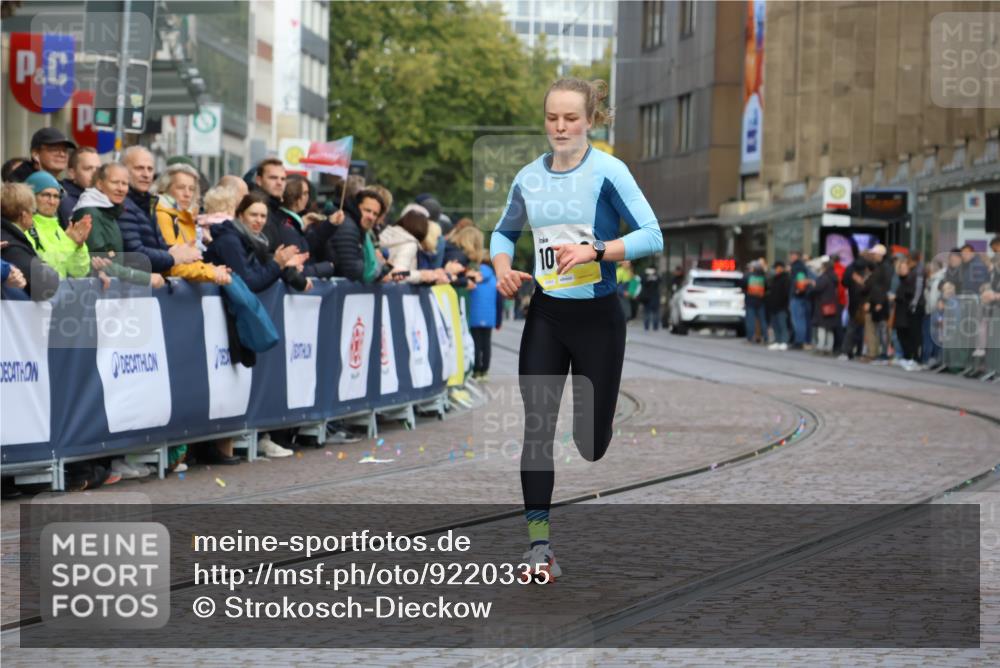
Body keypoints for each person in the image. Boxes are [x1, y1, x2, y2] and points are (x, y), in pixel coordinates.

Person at [491, 78, 663, 580]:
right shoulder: (527, 177)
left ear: (590, 120)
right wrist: (502, 266)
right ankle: (538, 547)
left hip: (598, 319)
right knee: (537, 427)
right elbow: (504, 230)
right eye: (552, 118)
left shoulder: (610, 171)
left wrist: (596, 251)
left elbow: (652, 234)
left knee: (591, 443)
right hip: (546, 314)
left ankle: (596, 428)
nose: (560, 127)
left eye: (570, 118)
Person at [73, 163, 166, 289]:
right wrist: (146, 278)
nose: (121, 188)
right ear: (100, 184)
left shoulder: (108, 212)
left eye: (125, 184)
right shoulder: (90, 213)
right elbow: (100, 263)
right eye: (115, 182)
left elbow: (111, 261)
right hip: (93, 293)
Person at [204, 191, 308, 293]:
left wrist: (282, 265)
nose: (259, 220)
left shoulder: (256, 242)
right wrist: (277, 264)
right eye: (253, 215)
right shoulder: (230, 241)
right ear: (240, 216)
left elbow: (261, 272)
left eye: (263, 216)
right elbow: (249, 284)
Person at [119, 146, 201, 275]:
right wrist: (174, 257)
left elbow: (159, 247)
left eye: (150, 169)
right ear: (123, 171)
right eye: (139, 168)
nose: (146, 174)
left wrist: (178, 251)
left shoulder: (149, 203)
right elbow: (135, 254)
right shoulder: (123, 204)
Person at [153, 164, 231, 285]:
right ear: (165, 189)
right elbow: (173, 266)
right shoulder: (163, 216)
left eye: (191, 189)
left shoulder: (184, 217)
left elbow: (191, 261)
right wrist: (211, 272)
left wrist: (211, 269)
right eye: (181, 187)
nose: (187, 194)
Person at [25, 171, 92, 278]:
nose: (52, 201)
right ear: (31, 197)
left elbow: (79, 272)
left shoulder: (59, 230)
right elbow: (45, 269)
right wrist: (70, 243)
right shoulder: (25, 227)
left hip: (61, 293)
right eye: (46, 195)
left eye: (56, 196)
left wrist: (78, 246)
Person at [0, 183, 61, 300]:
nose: (33, 217)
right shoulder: (11, 244)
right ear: (24, 215)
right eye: (33, 212)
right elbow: (45, 283)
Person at [327, 189, 390, 284]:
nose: (371, 217)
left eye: (375, 214)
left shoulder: (360, 230)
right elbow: (355, 271)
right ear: (356, 207)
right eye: (367, 210)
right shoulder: (349, 227)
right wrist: (377, 263)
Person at [278, 175, 335, 279]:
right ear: (296, 198)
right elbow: (297, 269)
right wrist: (325, 268)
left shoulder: (292, 223)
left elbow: (306, 247)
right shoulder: (287, 227)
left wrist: (330, 224)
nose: (307, 197)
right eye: (304, 193)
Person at [6, 128, 77, 183]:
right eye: (54, 149)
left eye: (65, 150)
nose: (62, 154)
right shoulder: (20, 185)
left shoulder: (62, 186)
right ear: (35, 154)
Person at [893, 256, 925, 370]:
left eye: (904, 267)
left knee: (912, 335)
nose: (902, 270)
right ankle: (907, 356)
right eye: (901, 268)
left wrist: (900, 298)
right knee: (901, 334)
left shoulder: (912, 278)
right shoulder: (900, 280)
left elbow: (912, 293)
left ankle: (914, 358)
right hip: (901, 311)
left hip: (909, 310)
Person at [839, 251, 872, 360]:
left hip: (854, 300)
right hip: (867, 300)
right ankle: (861, 350)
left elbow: (844, 282)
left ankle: (846, 351)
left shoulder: (851, 267)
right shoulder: (872, 267)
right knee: (865, 328)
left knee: (852, 327)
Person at [58, 147, 101, 228]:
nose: (95, 173)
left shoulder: (102, 198)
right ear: (72, 173)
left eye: (98, 169)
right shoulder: (66, 202)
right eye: (88, 168)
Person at [867, 244, 893, 363]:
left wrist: (880, 302)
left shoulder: (886, 267)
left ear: (880, 254)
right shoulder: (879, 266)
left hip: (881, 302)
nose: (873, 256)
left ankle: (885, 352)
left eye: (874, 254)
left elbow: (885, 286)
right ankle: (881, 352)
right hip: (876, 301)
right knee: (878, 328)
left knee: (882, 328)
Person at [811, 259, 840, 354]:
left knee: (822, 327)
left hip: (822, 305)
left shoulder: (824, 277)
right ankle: (829, 348)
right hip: (832, 305)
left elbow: (817, 289)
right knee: (829, 328)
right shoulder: (834, 277)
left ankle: (821, 347)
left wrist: (813, 285)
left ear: (825, 268)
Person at [788, 250, 814, 348]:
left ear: (795, 256)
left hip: (798, 296)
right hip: (805, 296)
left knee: (798, 320)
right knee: (804, 320)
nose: (790, 257)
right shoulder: (804, 266)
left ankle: (799, 341)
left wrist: (798, 290)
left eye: (792, 255)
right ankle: (806, 340)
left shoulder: (797, 267)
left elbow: (799, 280)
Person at [766, 261, 791, 350]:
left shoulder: (786, 278)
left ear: (781, 268)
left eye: (777, 268)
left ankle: (784, 341)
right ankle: (777, 341)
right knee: (775, 325)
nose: (776, 270)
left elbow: (787, 293)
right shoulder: (774, 279)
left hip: (782, 306)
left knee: (782, 325)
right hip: (773, 306)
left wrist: (786, 305)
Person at [743, 259, 768, 343]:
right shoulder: (763, 276)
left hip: (750, 301)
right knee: (762, 320)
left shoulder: (748, 276)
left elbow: (743, 286)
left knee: (750, 320)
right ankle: (766, 337)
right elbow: (767, 288)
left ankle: (750, 338)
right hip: (761, 301)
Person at [640, 266, 662, 331]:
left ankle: (655, 326)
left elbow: (660, 281)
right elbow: (642, 282)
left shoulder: (656, 276)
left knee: (655, 312)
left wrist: (654, 276)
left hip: (655, 296)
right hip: (646, 297)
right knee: (647, 312)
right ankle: (646, 326)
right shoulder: (644, 275)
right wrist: (648, 277)